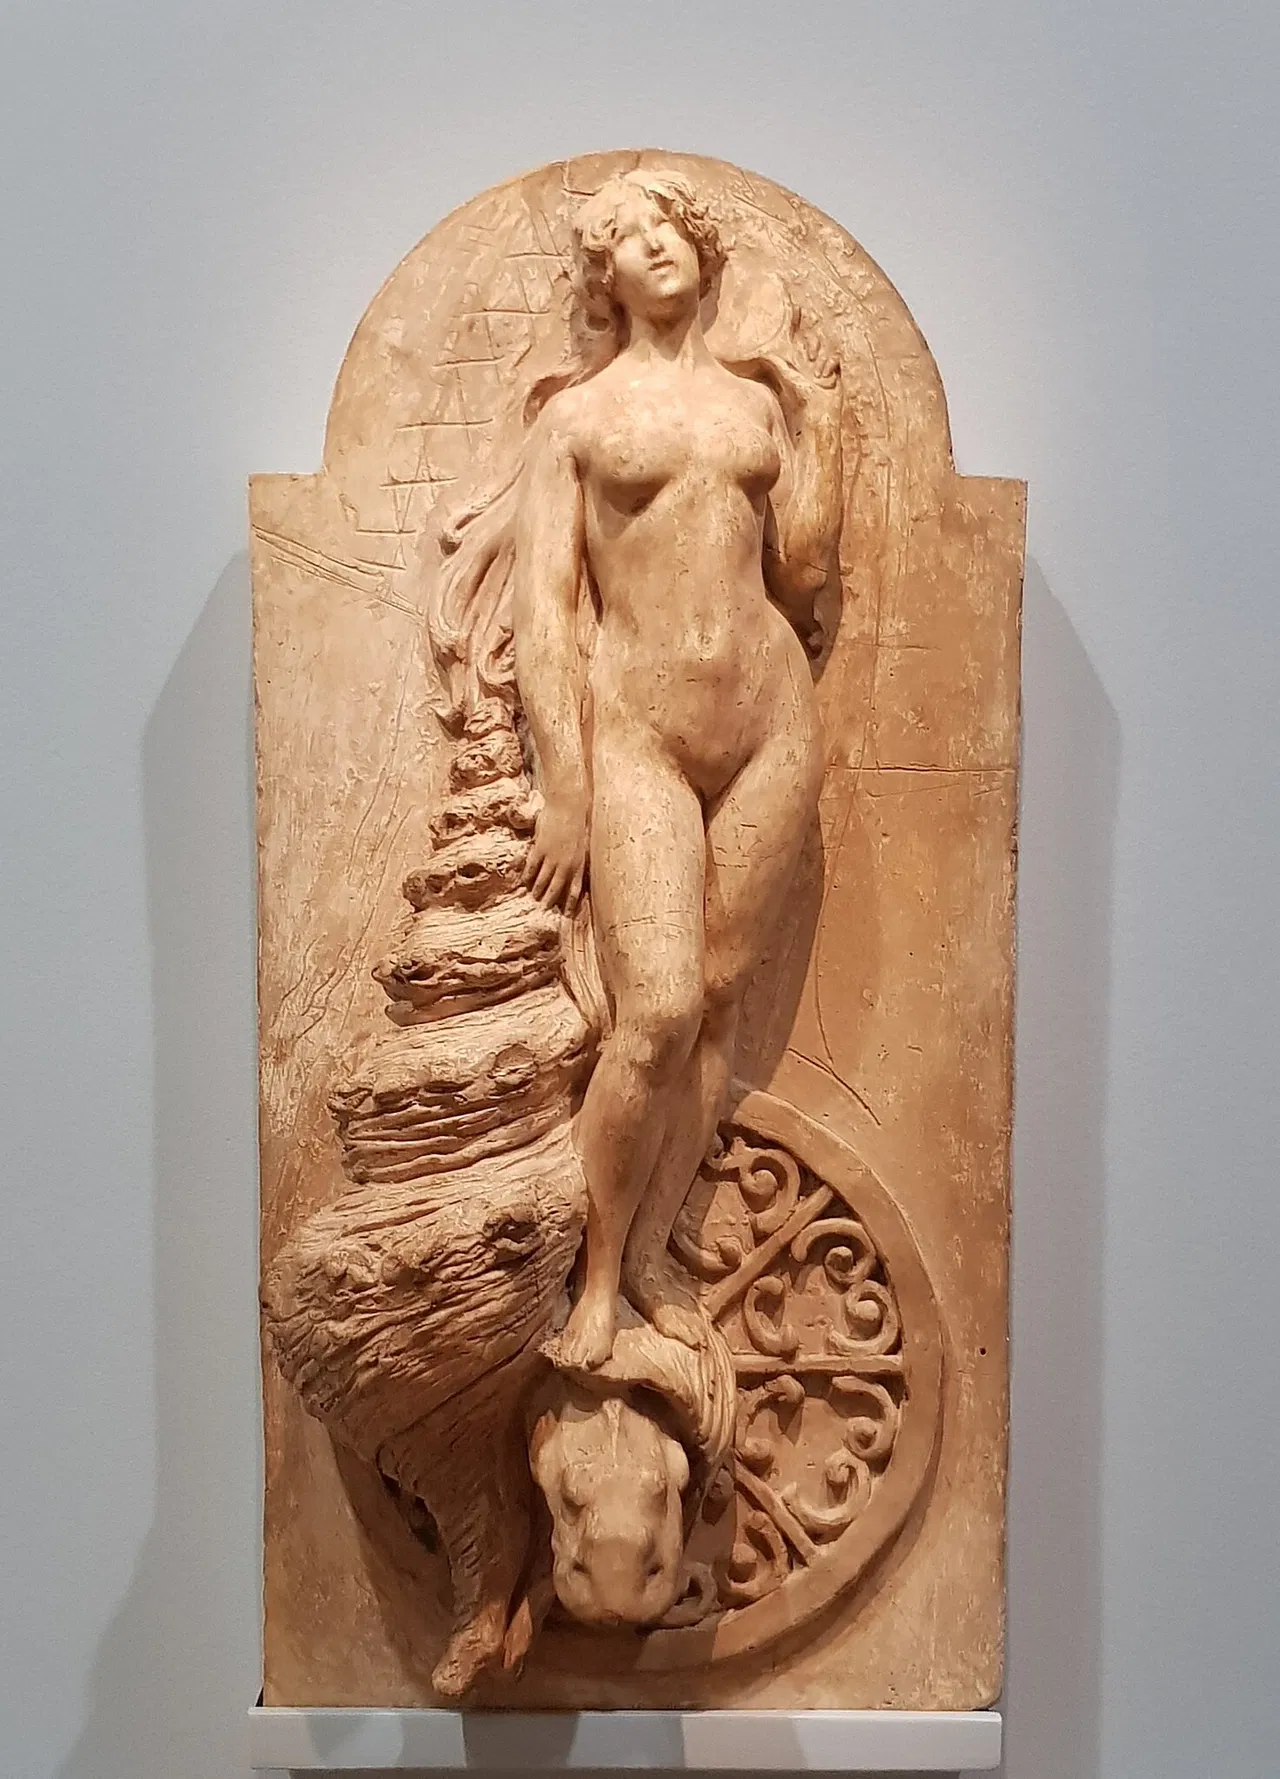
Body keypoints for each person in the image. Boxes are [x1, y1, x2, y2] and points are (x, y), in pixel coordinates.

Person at [428, 169, 844, 1369]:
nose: (654, 245)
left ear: (699, 250)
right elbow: (545, 611)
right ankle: (596, 1277)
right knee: (653, 1011)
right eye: (625, 236)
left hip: (769, 720)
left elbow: (801, 574)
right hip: (639, 734)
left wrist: (816, 426)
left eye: (668, 225)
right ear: (599, 279)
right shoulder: (577, 421)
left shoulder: (754, 405)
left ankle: (655, 1249)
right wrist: (564, 783)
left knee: (713, 999)